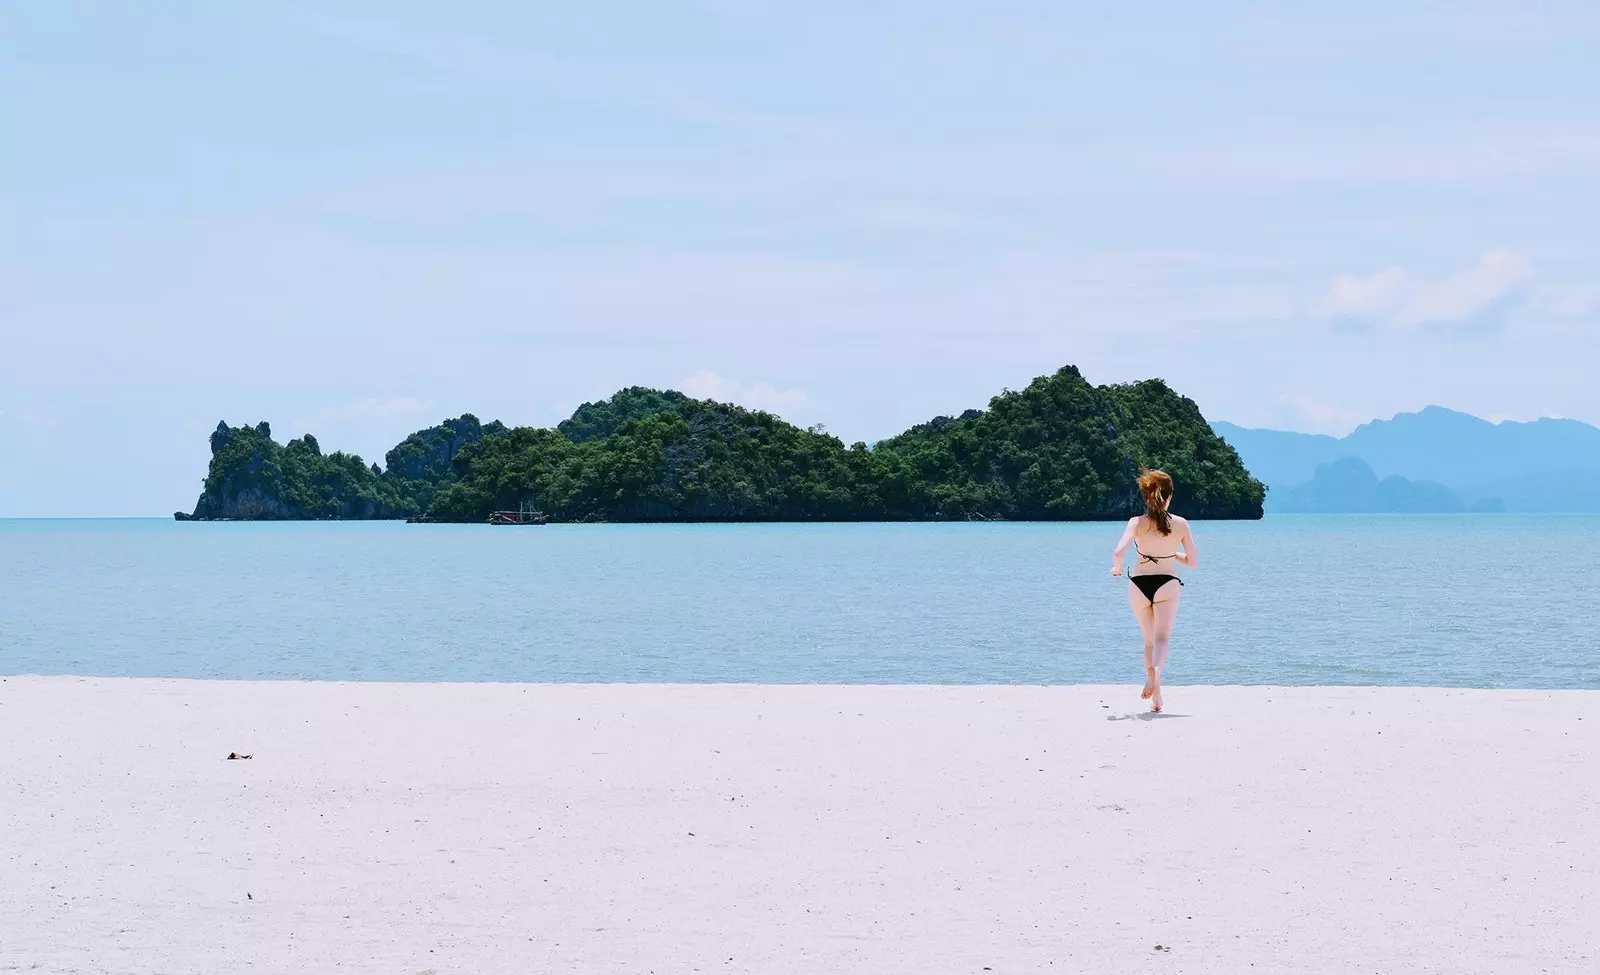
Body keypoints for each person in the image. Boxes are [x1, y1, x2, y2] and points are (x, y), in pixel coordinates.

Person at [1110, 470, 1197, 712]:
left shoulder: (1136, 522)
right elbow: (1192, 562)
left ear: (1147, 497)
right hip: (1167, 583)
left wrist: (1117, 569)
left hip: (1139, 585)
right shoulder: (1180, 524)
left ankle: (1157, 697)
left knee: (1149, 640)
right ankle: (1156, 672)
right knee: (1162, 639)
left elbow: (1118, 552)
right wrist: (1170, 555)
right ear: (1169, 497)